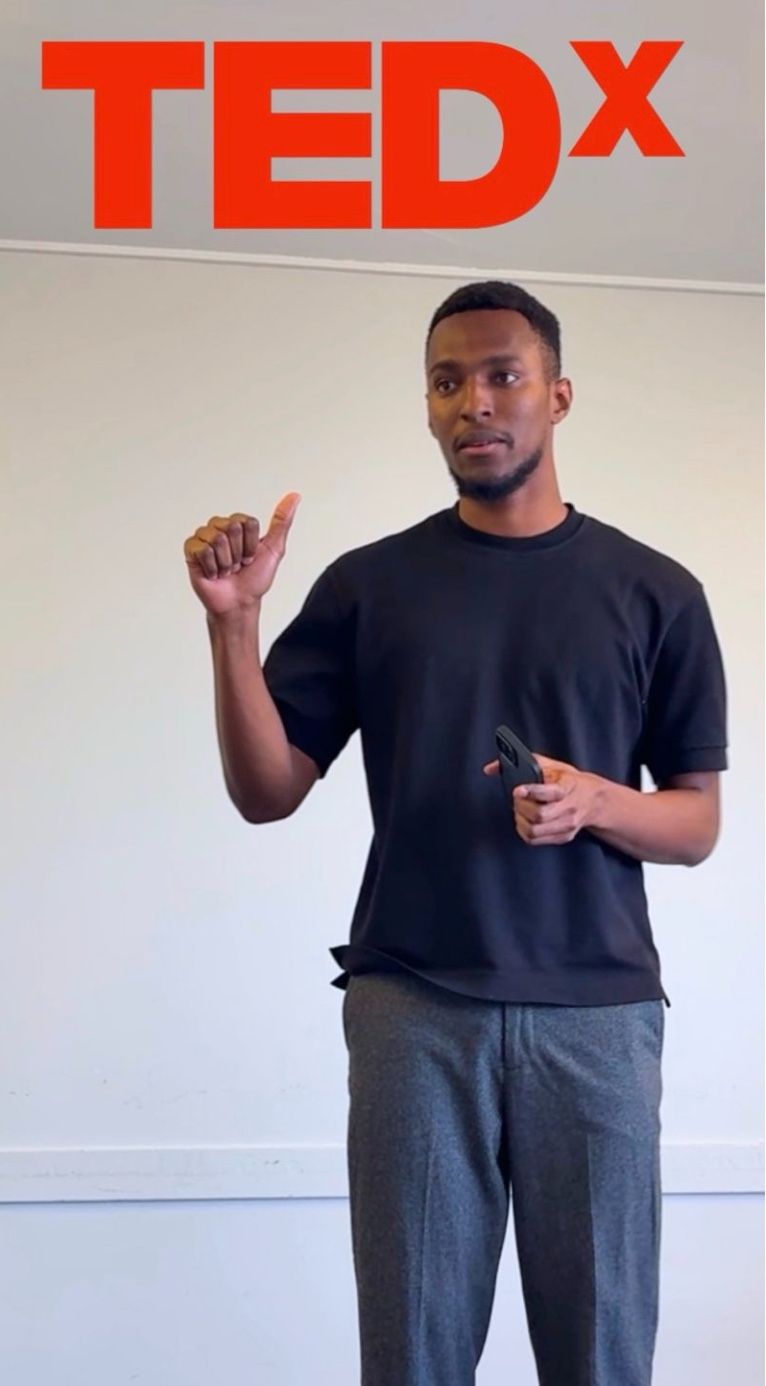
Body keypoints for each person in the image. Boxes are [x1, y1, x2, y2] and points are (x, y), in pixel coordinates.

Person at [182, 281, 728, 1386]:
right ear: (428, 407)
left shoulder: (655, 592)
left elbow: (695, 822)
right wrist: (234, 628)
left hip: (597, 1017)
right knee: (413, 1357)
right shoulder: (369, 587)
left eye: (502, 376)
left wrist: (593, 801)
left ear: (557, 396)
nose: (474, 401)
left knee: (602, 1356)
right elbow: (266, 790)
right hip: (415, 1011)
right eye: (446, 382)